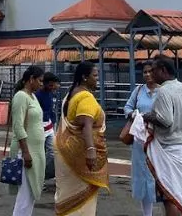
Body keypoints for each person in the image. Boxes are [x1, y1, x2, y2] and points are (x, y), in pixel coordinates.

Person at [140, 56, 182, 216]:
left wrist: (147, 116)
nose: (151, 74)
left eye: (154, 70)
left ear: (163, 71)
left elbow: (165, 120)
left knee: (169, 195)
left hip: (170, 148)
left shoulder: (164, 90)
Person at [54, 61, 109, 215]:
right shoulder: (86, 97)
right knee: (81, 201)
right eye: (95, 75)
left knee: (66, 193)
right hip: (80, 155)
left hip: (66, 152)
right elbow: (86, 125)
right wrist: (91, 150)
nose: (97, 79)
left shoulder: (71, 93)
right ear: (85, 77)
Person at [9, 65, 46, 216]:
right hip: (26, 152)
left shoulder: (33, 96)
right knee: (25, 195)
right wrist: (25, 152)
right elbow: (18, 127)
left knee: (30, 194)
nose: (42, 84)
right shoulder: (20, 97)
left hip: (35, 151)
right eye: (40, 81)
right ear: (31, 79)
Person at [123, 60, 158, 216]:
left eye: (151, 71)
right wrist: (133, 114)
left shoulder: (163, 91)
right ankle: (147, 214)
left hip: (158, 140)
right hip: (139, 141)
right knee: (142, 175)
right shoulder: (138, 91)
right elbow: (127, 107)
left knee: (159, 175)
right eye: (145, 72)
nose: (148, 74)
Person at [34, 72, 60, 182]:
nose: (57, 86)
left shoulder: (50, 94)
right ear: (49, 84)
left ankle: (44, 174)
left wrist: (52, 120)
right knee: (40, 153)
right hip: (40, 127)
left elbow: (50, 110)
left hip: (49, 127)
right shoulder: (38, 95)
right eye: (54, 84)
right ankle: (38, 176)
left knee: (53, 152)